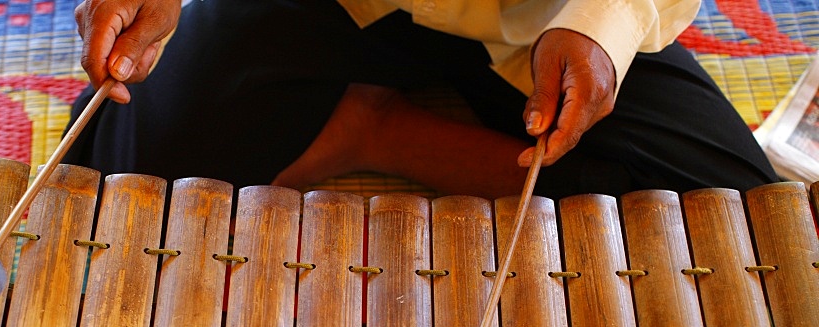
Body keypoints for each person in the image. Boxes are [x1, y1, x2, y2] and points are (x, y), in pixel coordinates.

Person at [64, 0, 779, 201]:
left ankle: (373, 132)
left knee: (730, 211)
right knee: (128, 161)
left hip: (546, 20)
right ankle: (369, 128)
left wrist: (603, 27)